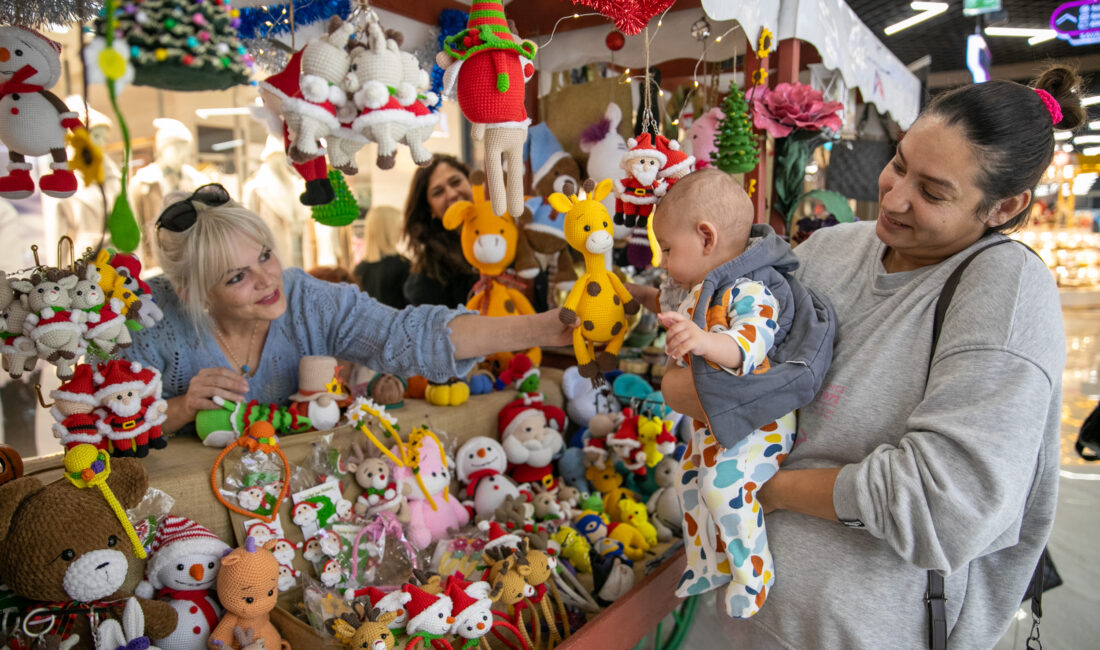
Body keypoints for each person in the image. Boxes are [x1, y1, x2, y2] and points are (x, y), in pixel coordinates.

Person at [661, 67, 1083, 647]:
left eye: (933, 192)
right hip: (750, 622)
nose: (896, 195)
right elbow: (684, 381)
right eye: (900, 163)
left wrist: (766, 486)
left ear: (1004, 207)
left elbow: (943, 506)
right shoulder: (832, 249)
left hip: (861, 630)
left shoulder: (1005, 293)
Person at [124, 184, 572, 436]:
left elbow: (410, 336)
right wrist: (181, 408)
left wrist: (546, 328)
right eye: (236, 277)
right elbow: (101, 430)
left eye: (264, 255)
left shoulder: (307, 300)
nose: (266, 279)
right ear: (194, 294)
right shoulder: (148, 318)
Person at [631, 169, 833, 619]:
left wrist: (702, 343)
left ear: (706, 237)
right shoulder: (703, 289)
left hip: (760, 422)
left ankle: (755, 573)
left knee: (722, 489)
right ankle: (709, 563)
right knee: (687, 480)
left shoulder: (753, 288)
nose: (663, 261)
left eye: (667, 249)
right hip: (715, 421)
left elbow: (749, 345)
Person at [402, 154, 479, 307]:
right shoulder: (429, 274)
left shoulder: (506, 231)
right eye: (438, 192)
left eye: (456, 182)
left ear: (470, 182)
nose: (452, 194)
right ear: (429, 209)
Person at [354, 205, 411, 309]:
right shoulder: (404, 266)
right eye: (399, 225)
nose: (402, 230)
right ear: (389, 230)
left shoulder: (359, 270)